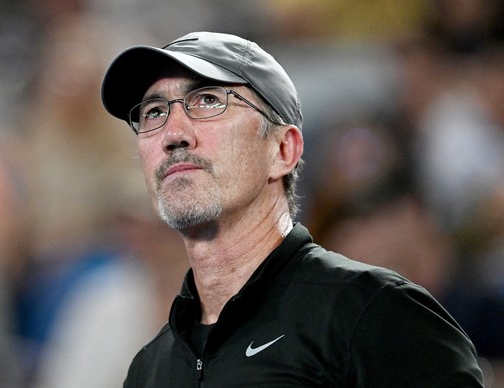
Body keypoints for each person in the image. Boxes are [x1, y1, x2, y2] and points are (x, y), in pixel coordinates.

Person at [100, 31, 484, 387]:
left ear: (283, 151)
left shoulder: (374, 313)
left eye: (208, 100)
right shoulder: (150, 369)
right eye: (153, 112)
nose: (172, 134)